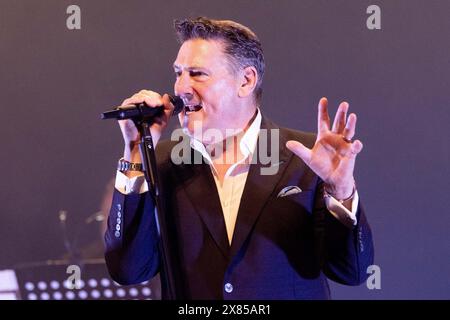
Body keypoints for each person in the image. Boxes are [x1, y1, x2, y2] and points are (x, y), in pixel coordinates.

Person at [104, 17, 374, 299]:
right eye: (178, 73)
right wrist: (134, 149)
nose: (181, 88)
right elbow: (128, 270)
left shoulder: (305, 156)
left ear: (245, 81)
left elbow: (352, 272)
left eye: (197, 74)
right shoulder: (161, 161)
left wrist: (341, 191)